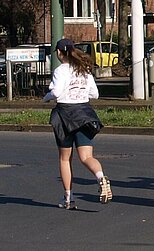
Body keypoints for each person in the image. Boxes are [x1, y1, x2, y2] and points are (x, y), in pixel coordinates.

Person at [44, 39, 112, 209]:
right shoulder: (84, 70)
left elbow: (57, 92)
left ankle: (68, 198)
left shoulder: (60, 70)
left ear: (59, 53)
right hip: (85, 114)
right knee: (87, 157)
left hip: (65, 115)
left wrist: (46, 97)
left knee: (65, 158)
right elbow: (94, 94)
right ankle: (101, 178)